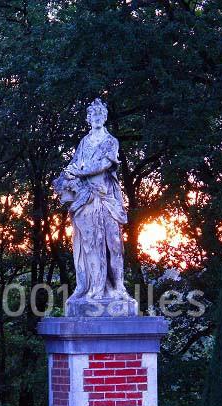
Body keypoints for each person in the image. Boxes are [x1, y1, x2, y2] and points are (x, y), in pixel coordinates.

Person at [54, 98, 133, 310]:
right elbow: (73, 163)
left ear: (104, 117)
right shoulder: (84, 142)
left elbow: (105, 164)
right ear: (89, 118)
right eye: (93, 115)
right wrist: (69, 174)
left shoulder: (110, 141)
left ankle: (118, 287)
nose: (97, 118)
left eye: (100, 115)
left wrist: (80, 171)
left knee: (114, 244)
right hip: (86, 199)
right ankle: (90, 287)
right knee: (90, 244)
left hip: (106, 198)